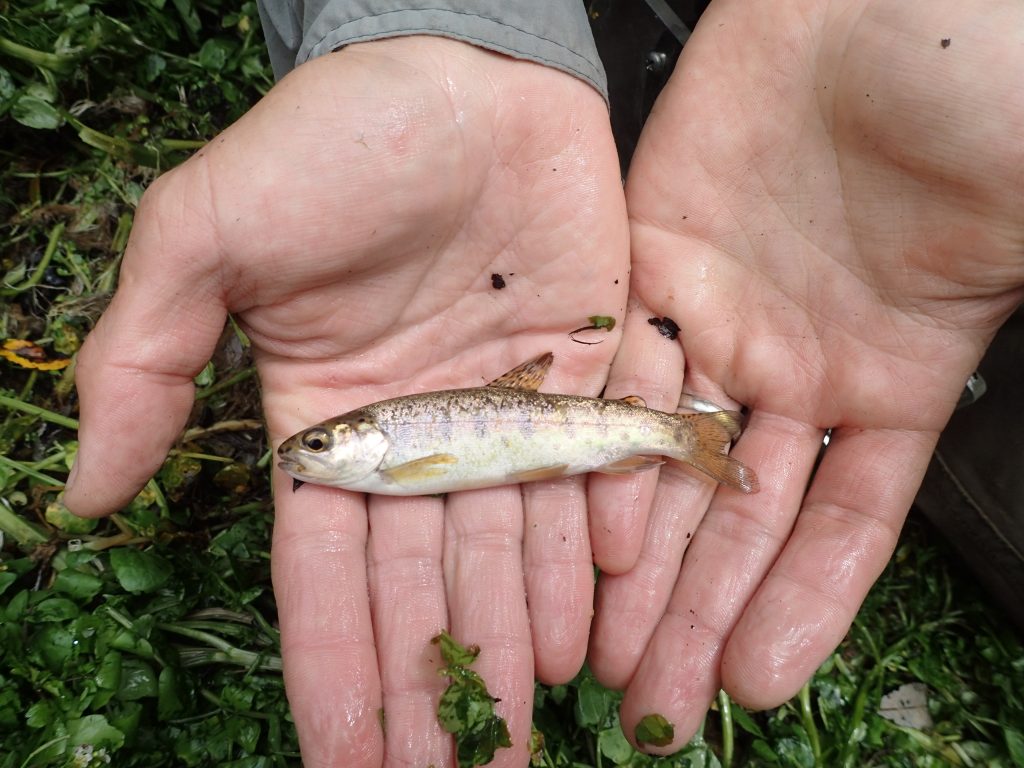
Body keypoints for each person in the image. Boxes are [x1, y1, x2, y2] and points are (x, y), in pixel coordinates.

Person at [64, 0, 1024, 765]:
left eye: (320, 444)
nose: (312, 452)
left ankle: (694, 442)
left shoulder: (401, 454)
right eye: (318, 444)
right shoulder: (395, 452)